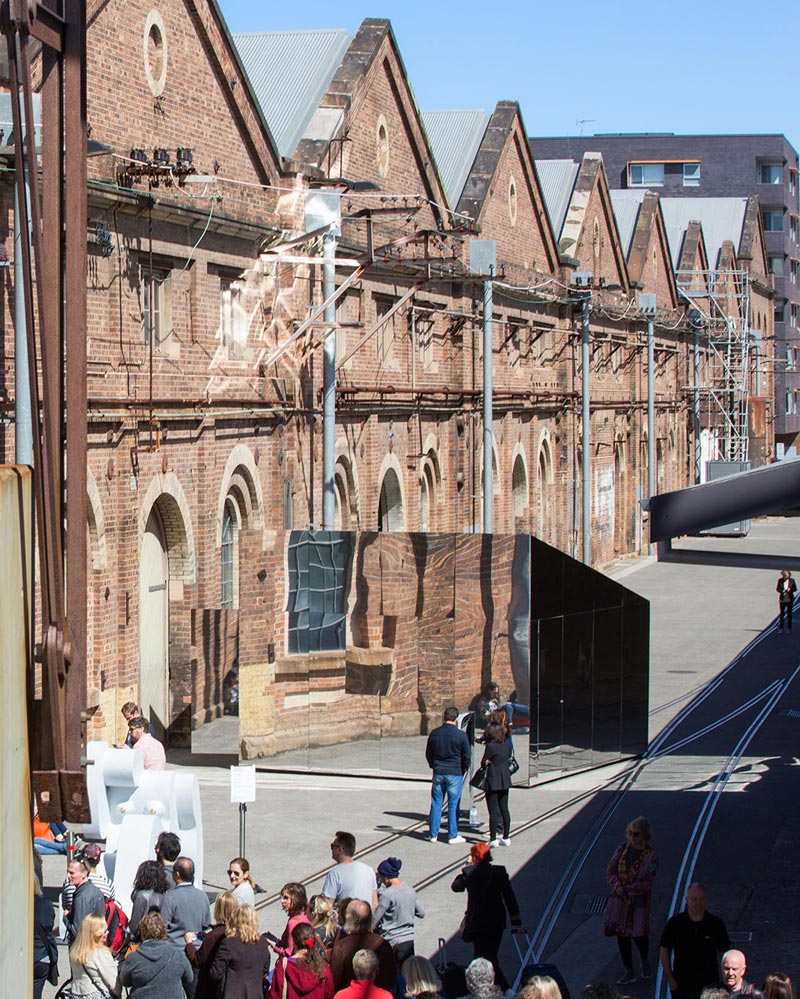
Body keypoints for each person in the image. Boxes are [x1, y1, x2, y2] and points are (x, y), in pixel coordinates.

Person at [451, 842, 521, 990]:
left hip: (478, 923)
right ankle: (489, 987)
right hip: (496, 923)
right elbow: (510, 897)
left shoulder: (470, 872)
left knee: (484, 957)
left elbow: (456, 887)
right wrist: (516, 920)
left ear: (475, 857)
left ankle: (503, 989)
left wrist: (466, 867)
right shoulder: (499, 872)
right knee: (489, 955)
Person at [604, 816, 659, 984]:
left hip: (638, 901)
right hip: (620, 900)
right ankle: (629, 970)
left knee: (639, 934)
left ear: (644, 835)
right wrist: (617, 886)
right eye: (630, 833)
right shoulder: (621, 849)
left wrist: (627, 889)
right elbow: (610, 871)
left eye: (635, 834)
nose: (632, 837)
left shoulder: (651, 856)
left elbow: (648, 881)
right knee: (622, 935)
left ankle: (644, 959)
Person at [660, 883, 730, 999]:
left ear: (707, 900)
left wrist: (725, 979)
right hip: (682, 985)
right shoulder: (675, 924)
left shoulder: (716, 924)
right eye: (694, 900)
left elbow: (725, 953)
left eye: (702, 900)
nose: (698, 903)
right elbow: (664, 951)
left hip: (709, 985)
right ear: (687, 900)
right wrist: (670, 979)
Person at [120, 911, 194, 999]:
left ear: (142, 933)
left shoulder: (133, 958)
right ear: (163, 930)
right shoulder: (177, 954)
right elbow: (189, 978)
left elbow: (125, 982)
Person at [330, 899, 397, 993]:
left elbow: (334, 981)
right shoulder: (382, 944)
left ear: (349, 919)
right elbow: (391, 979)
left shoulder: (341, 947)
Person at [425, 706, 470, 845]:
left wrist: (434, 765)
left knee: (436, 803)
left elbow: (429, 753)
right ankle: (452, 835)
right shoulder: (461, 735)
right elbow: (467, 756)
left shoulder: (435, 733)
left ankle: (433, 834)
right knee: (453, 804)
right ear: (456, 719)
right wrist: (463, 769)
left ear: (444, 717)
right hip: (455, 772)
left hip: (439, 772)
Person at [210, 903, 271, 999]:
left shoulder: (229, 943)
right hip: (255, 994)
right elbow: (265, 969)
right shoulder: (263, 943)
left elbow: (215, 973)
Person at [185, 890, 239, 999]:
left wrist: (189, 943)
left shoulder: (213, 936)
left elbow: (198, 960)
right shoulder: (239, 932)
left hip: (211, 990)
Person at [374, 856, 425, 965]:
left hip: (391, 942)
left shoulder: (387, 895)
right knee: (409, 973)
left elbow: (375, 920)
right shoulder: (410, 891)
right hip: (408, 940)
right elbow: (421, 913)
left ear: (386, 878)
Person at [269, 921, 334, 999]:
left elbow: (275, 995)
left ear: (294, 942)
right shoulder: (323, 967)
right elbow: (329, 995)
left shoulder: (285, 965)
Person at [161, 856, 212, 945]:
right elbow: (206, 925)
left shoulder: (170, 897)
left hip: (175, 948)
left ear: (177, 874)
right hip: (196, 947)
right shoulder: (202, 896)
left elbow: (162, 925)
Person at [477, 722, 513, 848]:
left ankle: (493, 838)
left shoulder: (491, 746)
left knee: (493, 811)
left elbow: (483, 763)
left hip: (493, 780)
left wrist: (487, 762)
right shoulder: (505, 745)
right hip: (505, 779)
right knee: (504, 809)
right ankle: (506, 836)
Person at [322, 831, 379, 910]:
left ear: (340, 849)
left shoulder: (335, 873)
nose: (331, 849)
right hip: (366, 920)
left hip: (345, 920)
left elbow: (327, 905)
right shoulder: (369, 870)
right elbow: (375, 903)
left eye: (332, 846)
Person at [69, 912, 120, 998]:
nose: (108, 932)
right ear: (97, 934)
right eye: (105, 930)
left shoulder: (75, 950)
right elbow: (112, 981)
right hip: (96, 994)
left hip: (76, 993)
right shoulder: (101, 953)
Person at [62, 843, 116, 915]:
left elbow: (65, 905)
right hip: (101, 923)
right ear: (99, 861)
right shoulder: (108, 883)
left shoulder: (70, 880)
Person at [64, 859, 106, 944]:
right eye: (68, 872)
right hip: (95, 945)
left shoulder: (82, 897)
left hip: (83, 949)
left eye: (72, 873)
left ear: (84, 874)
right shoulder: (96, 890)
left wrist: (66, 917)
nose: (68, 876)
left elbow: (77, 931)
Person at [129, 860, 170, 942]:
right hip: (159, 937)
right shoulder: (164, 895)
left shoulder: (142, 896)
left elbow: (134, 925)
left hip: (142, 939)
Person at [33, 873, 58, 999]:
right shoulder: (47, 905)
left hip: (20, 957)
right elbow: (50, 925)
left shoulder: (15, 906)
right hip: (42, 957)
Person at [271, 882, 311, 956]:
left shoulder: (293, 922)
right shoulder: (305, 915)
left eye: (286, 898)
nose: (282, 901)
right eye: (282, 897)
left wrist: (274, 947)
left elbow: (289, 953)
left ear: (296, 899)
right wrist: (277, 941)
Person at [776, 569, 797, 633]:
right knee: (782, 614)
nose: (784, 576)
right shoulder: (780, 580)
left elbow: (795, 588)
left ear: (788, 575)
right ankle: (781, 627)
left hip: (789, 599)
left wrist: (790, 589)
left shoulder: (792, 581)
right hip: (783, 599)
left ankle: (789, 627)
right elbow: (778, 588)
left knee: (789, 613)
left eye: (786, 575)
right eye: (783, 575)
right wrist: (782, 591)